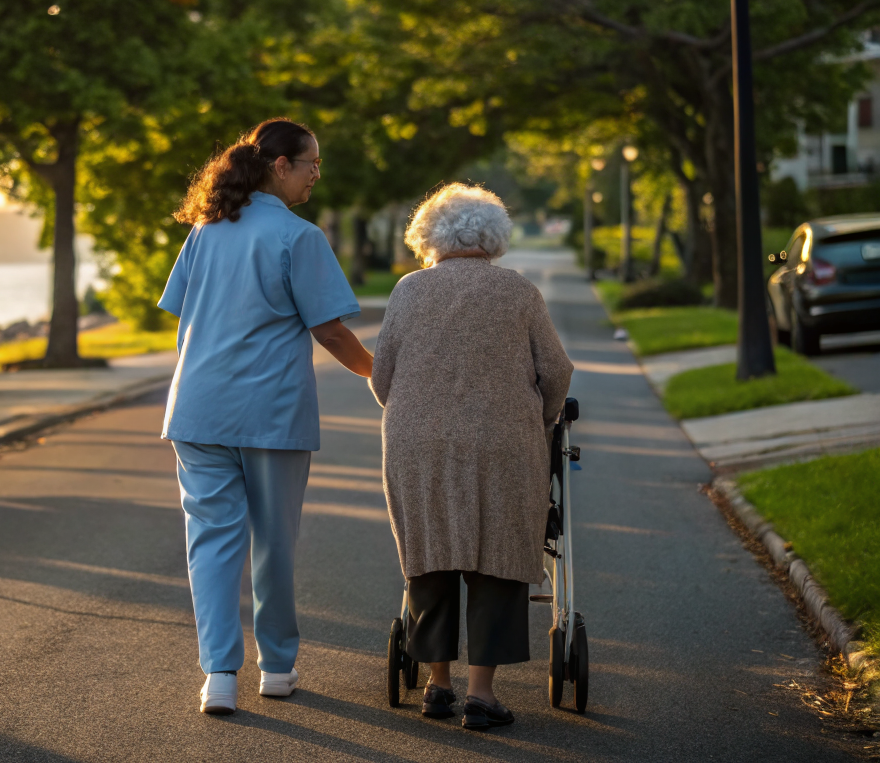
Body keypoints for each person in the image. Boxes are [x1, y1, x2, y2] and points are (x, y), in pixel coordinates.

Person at [158, 118, 374, 716]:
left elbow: (181, 316)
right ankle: (276, 668)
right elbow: (329, 328)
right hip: (268, 412)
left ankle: (218, 677)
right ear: (282, 166)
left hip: (197, 409)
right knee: (273, 544)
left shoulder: (205, 229)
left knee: (210, 544)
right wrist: (381, 375)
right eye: (312, 165)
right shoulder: (298, 237)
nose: (315, 176)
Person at [370, 183, 573, 731]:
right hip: (503, 443)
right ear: (494, 236)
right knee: (499, 557)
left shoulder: (408, 291)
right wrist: (546, 419)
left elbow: (381, 377)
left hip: (418, 444)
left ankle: (438, 685)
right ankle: (481, 694)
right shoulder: (519, 292)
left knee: (430, 552)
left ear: (429, 235)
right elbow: (556, 372)